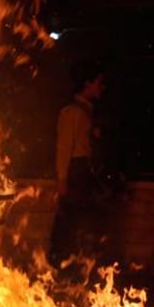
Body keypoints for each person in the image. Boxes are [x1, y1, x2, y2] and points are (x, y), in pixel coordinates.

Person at [48, 58, 110, 270]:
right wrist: (62, 179)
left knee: (83, 224)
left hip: (84, 175)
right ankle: (57, 265)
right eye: (98, 82)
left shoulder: (87, 113)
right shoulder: (71, 113)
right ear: (86, 83)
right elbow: (64, 148)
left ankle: (78, 267)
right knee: (68, 223)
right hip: (75, 175)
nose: (102, 87)